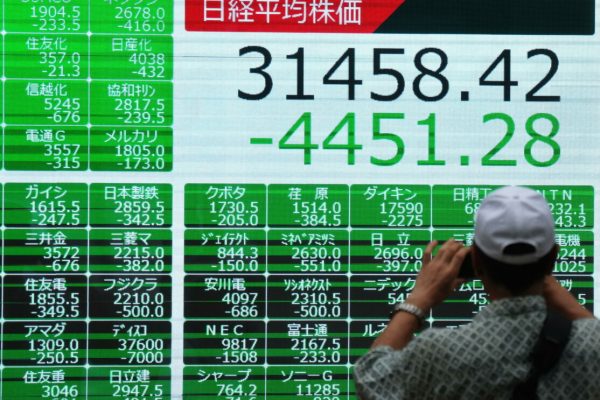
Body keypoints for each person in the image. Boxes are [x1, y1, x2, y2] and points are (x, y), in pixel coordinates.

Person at [353, 186, 600, 399]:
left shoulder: (438, 352)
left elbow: (372, 380)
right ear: (553, 258)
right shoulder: (592, 345)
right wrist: (565, 301)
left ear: (477, 261)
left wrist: (418, 299)